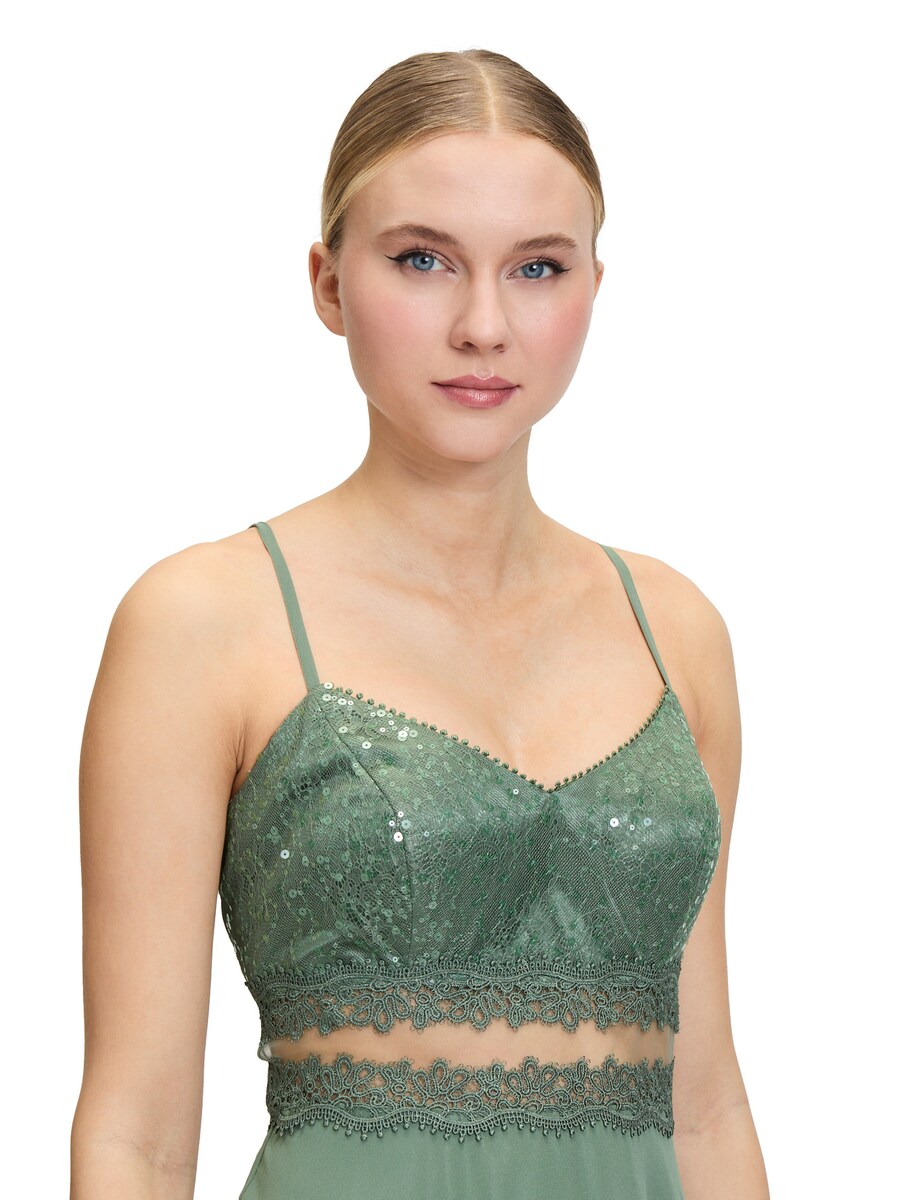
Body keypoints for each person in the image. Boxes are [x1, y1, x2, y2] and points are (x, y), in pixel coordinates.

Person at [70, 48, 769, 1200]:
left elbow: (706, 1106)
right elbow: (134, 1137)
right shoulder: (202, 622)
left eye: (537, 267)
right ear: (328, 283)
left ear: (595, 285)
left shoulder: (677, 631)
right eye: (423, 261)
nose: (484, 325)